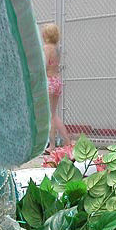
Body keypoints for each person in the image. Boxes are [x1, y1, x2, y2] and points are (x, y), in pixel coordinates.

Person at [42, 23, 72, 151]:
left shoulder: (46, 48)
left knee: (50, 115)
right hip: (57, 81)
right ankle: (67, 142)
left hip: (49, 81)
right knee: (54, 114)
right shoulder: (57, 48)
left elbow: (44, 65)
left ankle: (52, 145)